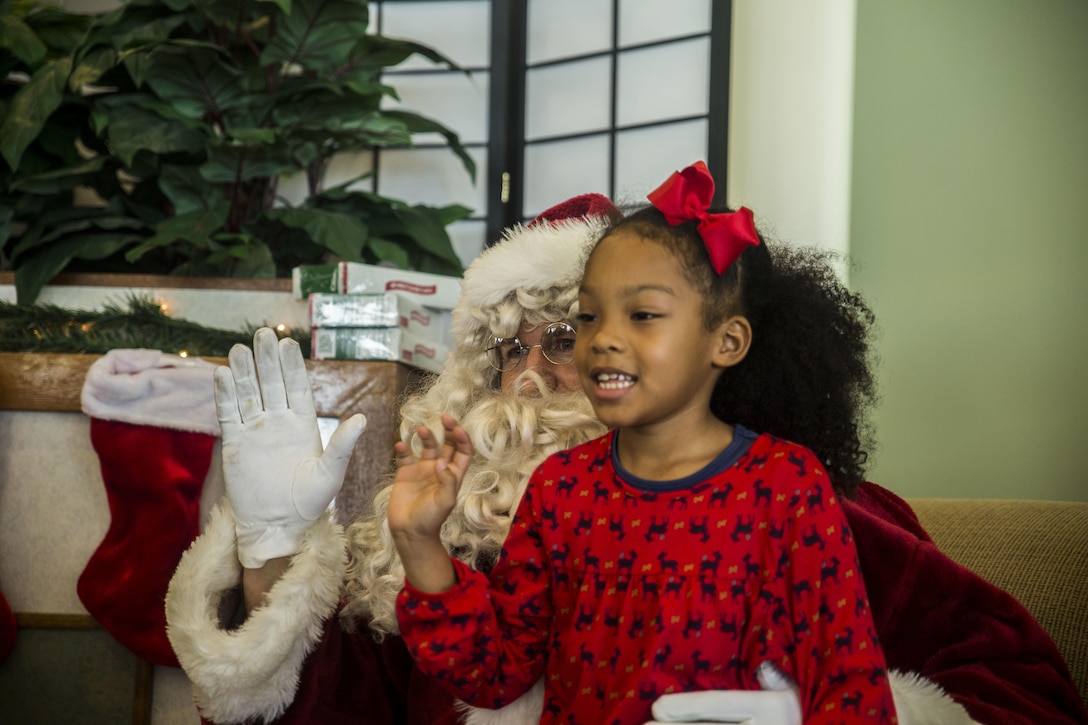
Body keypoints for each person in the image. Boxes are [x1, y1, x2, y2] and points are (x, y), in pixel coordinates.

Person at [166, 189, 1088, 725]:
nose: (527, 380)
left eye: (564, 336)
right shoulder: (466, 523)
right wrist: (277, 544)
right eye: (505, 348)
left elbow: (1024, 688)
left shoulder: (795, 500)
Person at [388, 161, 896, 724]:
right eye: (589, 316)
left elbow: (852, 688)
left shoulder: (787, 485)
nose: (604, 338)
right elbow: (496, 674)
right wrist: (419, 540)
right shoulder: (559, 489)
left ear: (726, 341)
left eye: (643, 314)